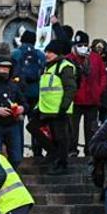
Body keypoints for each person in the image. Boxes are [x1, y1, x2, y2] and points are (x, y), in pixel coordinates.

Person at [36, 39, 77, 175]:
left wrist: (63, 107)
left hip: (59, 110)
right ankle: (55, 156)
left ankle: (61, 164)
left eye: (50, 52)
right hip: (46, 109)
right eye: (46, 51)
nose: (47, 54)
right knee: (34, 128)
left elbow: (70, 88)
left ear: (58, 53)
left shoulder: (64, 66)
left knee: (61, 138)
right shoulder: (48, 66)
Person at [66, 31, 107, 157]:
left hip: (92, 99)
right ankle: (72, 150)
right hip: (75, 100)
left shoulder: (95, 58)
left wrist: (98, 90)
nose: (82, 47)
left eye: (84, 44)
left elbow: (103, 76)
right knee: (73, 128)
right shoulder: (70, 58)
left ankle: (90, 150)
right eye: (79, 45)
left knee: (91, 128)